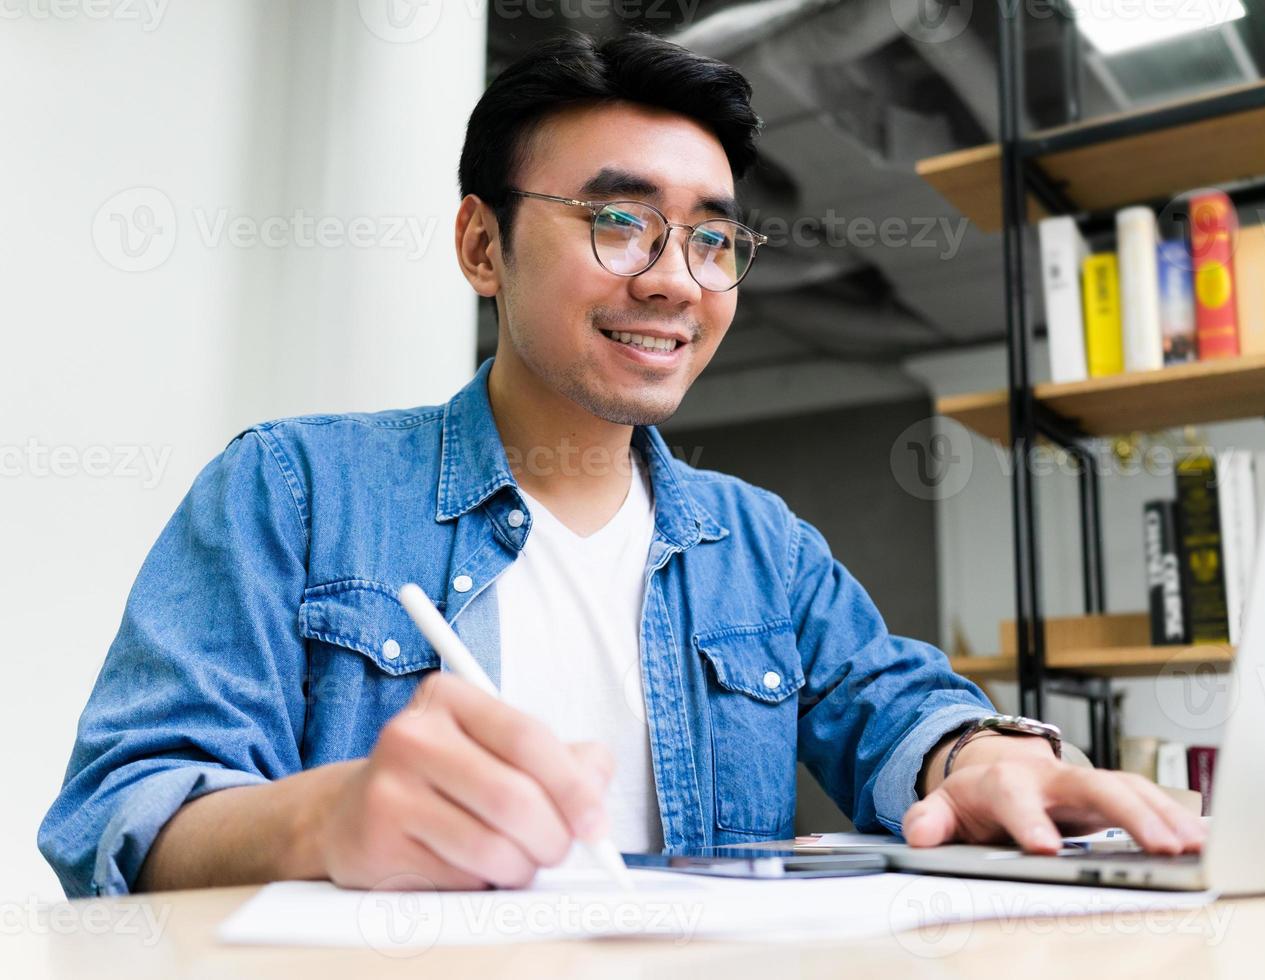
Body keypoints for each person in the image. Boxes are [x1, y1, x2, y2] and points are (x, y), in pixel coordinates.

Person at [40, 30, 1204, 898]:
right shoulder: (292, 491)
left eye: (712, 235)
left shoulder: (766, 547)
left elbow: (892, 706)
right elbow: (120, 813)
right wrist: (318, 823)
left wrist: (982, 754)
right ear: (481, 244)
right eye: (618, 221)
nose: (675, 279)